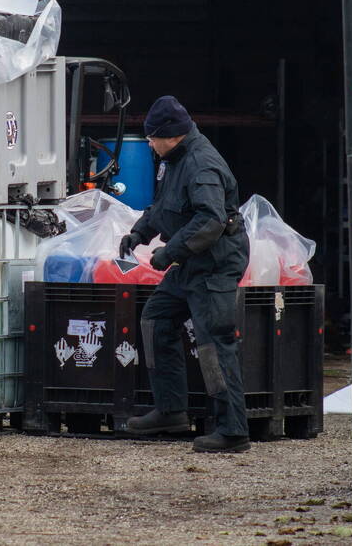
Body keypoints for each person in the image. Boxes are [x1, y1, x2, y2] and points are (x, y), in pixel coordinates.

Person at [119, 96, 251, 453]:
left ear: (171, 135)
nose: (148, 143)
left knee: (213, 342)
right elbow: (164, 206)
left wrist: (169, 252)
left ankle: (233, 430)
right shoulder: (173, 160)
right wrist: (139, 233)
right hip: (192, 263)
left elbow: (210, 220)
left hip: (214, 265)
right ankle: (170, 410)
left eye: (151, 137)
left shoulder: (201, 164)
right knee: (156, 318)